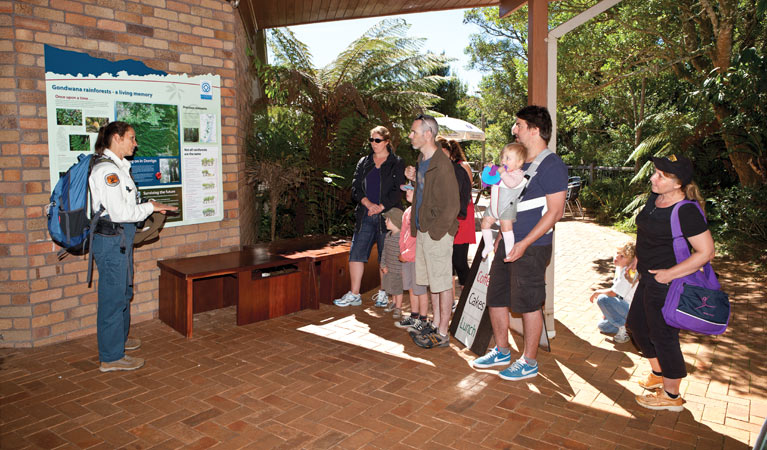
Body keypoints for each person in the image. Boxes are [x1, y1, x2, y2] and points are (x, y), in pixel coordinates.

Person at [471, 105, 567, 380]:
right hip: (506, 242)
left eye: (519, 125)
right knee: (496, 297)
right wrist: (501, 234)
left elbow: (555, 211)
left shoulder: (552, 165)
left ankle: (529, 361)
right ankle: (502, 351)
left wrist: (524, 244)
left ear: (535, 130)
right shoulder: (518, 161)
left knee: (527, 302)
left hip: (532, 247)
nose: (514, 130)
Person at [626, 154, 714, 412]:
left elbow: (706, 252)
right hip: (648, 277)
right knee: (637, 326)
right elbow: (647, 229)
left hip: (668, 284)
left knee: (663, 336)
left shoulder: (686, 211)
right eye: (655, 172)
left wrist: (669, 274)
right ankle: (658, 372)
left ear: (678, 184)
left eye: (661, 176)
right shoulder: (656, 198)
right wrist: (639, 256)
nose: (654, 178)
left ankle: (672, 395)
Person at [90, 121, 177, 372]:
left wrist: (148, 206)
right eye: (132, 138)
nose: (135, 143)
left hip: (120, 240)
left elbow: (125, 205)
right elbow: (118, 212)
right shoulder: (107, 171)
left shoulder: (118, 167)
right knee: (113, 297)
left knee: (123, 291)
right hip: (111, 241)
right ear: (116, 138)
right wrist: (150, 207)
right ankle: (110, 356)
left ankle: (119, 341)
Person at [403, 114, 460, 348]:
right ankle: (436, 325)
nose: (410, 135)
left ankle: (443, 332)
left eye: (414, 131)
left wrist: (437, 232)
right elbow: (426, 193)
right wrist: (414, 178)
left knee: (443, 283)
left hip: (437, 232)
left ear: (428, 134)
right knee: (432, 283)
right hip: (424, 230)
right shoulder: (422, 159)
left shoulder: (443, 164)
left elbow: (452, 205)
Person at [334, 125, 405, 307]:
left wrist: (381, 206)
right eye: (371, 140)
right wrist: (367, 204)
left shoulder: (396, 162)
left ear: (387, 142)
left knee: (385, 255)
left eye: (377, 140)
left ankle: (383, 293)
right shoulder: (364, 162)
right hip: (365, 214)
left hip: (386, 216)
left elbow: (398, 191)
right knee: (356, 252)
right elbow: (356, 187)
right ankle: (354, 294)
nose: (374, 143)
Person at [436, 137, 476, 293]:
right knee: (450, 260)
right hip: (449, 217)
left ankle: (467, 294)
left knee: (459, 259)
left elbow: (467, 187)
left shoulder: (461, 166)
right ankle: (452, 295)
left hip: (462, 215)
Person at [480, 143, 527, 259]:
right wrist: (489, 169)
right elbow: (488, 180)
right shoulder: (501, 172)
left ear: (519, 162)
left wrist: (502, 173)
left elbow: (511, 184)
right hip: (493, 207)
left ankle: (509, 251)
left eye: (508, 158)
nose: (503, 161)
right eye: (502, 157)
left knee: (506, 228)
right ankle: (488, 245)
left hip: (506, 207)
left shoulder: (518, 174)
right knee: (484, 224)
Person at [393, 185, 429, 327]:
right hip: (406, 257)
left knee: (420, 290)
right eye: (406, 190)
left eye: (410, 190)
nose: (407, 193)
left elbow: (419, 239)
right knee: (411, 288)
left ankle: (423, 319)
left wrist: (407, 254)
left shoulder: (421, 212)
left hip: (416, 258)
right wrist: (402, 251)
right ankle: (414, 316)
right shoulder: (407, 211)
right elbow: (403, 234)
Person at [590, 242, 639, 343]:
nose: (617, 257)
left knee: (602, 298)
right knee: (603, 326)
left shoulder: (629, 271)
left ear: (631, 261)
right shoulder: (619, 268)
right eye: (617, 253)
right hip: (623, 308)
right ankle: (632, 328)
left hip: (631, 309)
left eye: (622, 256)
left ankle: (624, 328)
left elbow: (614, 293)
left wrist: (597, 292)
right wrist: (608, 311)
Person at [380, 208, 404, 318]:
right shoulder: (387, 235)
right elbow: (384, 251)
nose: (385, 221)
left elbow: (403, 254)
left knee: (398, 289)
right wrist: (383, 264)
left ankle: (398, 307)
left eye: (388, 219)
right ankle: (394, 303)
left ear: (395, 221)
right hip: (389, 268)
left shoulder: (402, 237)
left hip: (399, 269)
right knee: (392, 287)